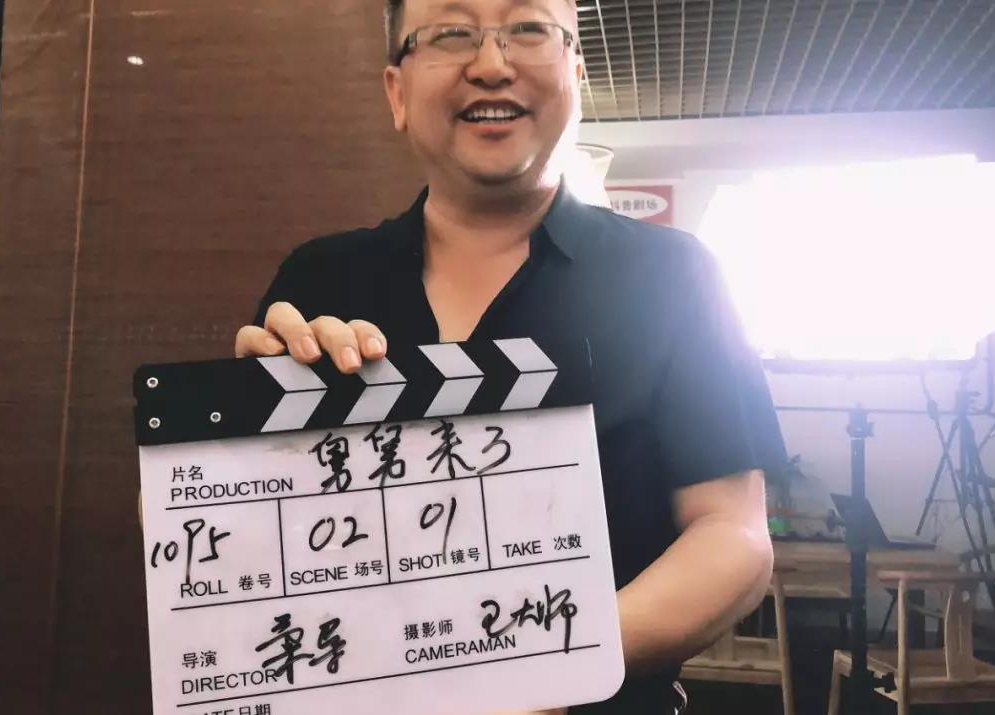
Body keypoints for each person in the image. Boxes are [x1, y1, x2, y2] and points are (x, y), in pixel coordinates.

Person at [234, 0, 787, 712]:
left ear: (575, 79)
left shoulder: (673, 276)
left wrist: (547, 661)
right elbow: (222, 546)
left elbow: (733, 534)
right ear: (398, 93)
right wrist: (223, 452)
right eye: (451, 33)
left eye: (528, 29)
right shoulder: (317, 280)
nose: (492, 64)